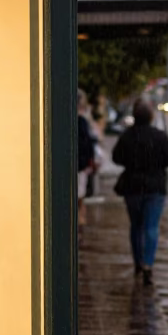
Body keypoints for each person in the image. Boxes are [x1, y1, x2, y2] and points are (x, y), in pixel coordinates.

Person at [112, 98, 168, 285]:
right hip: (155, 187)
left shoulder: (127, 136)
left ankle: (138, 263)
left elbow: (116, 157)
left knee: (136, 226)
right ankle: (148, 264)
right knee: (151, 227)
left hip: (132, 187)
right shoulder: (160, 137)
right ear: (150, 116)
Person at [77, 89, 96, 230]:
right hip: (80, 165)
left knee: (79, 194)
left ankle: (80, 218)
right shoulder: (82, 121)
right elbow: (88, 143)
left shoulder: (81, 121)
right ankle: (80, 218)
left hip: (79, 164)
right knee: (79, 195)